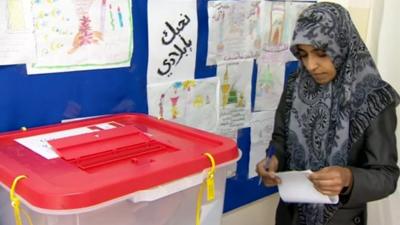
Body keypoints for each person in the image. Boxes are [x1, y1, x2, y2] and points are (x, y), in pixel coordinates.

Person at [256, 2, 400, 225]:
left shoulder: (374, 97)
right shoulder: (295, 86)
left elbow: (386, 176)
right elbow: (280, 140)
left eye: (321, 53)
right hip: (291, 216)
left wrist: (349, 178)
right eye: (303, 55)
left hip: (341, 218)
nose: (311, 65)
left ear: (341, 45)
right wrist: (273, 160)